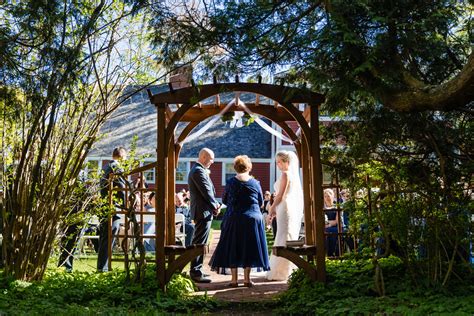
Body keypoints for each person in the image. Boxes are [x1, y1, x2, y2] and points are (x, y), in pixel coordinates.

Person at [210, 155, 270, 287]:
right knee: (249, 247)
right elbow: (260, 202)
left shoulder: (231, 182)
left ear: (235, 167)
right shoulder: (255, 183)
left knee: (233, 246)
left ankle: (234, 280)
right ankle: (247, 279)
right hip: (252, 219)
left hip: (234, 218)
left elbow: (225, 200)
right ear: (249, 167)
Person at [266, 151, 304, 281]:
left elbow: (280, 195)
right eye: (276, 162)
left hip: (284, 205)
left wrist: (271, 209)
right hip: (284, 206)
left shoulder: (286, 174)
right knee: (283, 234)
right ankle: (285, 268)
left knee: (283, 235)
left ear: (287, 162)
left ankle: (282, 270)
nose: (278, 165)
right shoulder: (290, 175)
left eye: (279, 162)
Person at [188, 148, 221, 283]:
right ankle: (195, 271)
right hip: (202, 212)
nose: (212, 162)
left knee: (201, 241)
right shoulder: (198, 171)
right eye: (211, 159)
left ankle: (198, 269)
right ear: (203, 157)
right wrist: (215, 206)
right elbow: (206, 191)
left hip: (204, 211)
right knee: (199, 242)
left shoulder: (199, 170)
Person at [97, 147, 128, 272]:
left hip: (104, 205)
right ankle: (103, 267)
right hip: (112, 206)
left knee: (105, 237)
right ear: (122, 156)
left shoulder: (105, 167)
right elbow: (121, 187)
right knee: (109, 237)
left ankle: (102, 266)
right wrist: (125, 205)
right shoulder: (117, 168)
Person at [324, 188, 339, 257]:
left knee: (332, 231)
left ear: (332, 196)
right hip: (325, 227)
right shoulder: (323, 208)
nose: (327, 198)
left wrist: (329, 224)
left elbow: (336, 221)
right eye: (325, 196)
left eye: (329, 196)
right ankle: (326, 253)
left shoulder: (336, 207)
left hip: (334, 227)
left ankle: (332, 253)